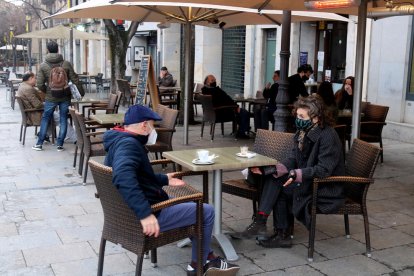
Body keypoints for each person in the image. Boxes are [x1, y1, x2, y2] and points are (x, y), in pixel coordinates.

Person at [103, 105, 240, 276]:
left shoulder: (118, 139)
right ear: (144, 125)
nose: (154, 131)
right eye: (153, 125)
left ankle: (206, 255)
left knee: (190, 204)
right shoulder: (129, 146)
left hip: (125, 214)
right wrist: (145, 214)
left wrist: (164, 179)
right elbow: (123, 176)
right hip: (147, 215)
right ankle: (199, 265)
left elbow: (138, 176)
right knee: (206, 211)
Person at [236, 95, 345, 248]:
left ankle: (275, 230)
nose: (298, 119)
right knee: (273, 177)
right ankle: (268, 227)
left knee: (279, 186)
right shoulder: (302, 132)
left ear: (315, 118)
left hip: (325, 187)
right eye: (297, 115)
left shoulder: (328, 136)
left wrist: (297, 174)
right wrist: (275, 169)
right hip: (309, 179)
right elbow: (293, 157)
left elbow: (324, 170)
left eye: (302, 116)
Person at [32, 41, 84, 152]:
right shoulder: (66, 63)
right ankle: (60, 144)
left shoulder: (43, 65)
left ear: (48, 50)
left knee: (46, 118)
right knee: (63, 118)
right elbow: (75, 79)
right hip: (65, 96)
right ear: (58, 50)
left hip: (51, 97)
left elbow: (39, 84)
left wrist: (48, 91)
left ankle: (39, 144)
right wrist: (81, 92)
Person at [201, 74, 251, 139]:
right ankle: (242, 132)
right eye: (212, 80)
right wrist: (236, 107)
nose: (214, 82)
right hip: (221, 113)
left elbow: (225, 100)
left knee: (240, 114)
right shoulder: (215, 91)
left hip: (211, 113)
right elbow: (227, 99)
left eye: (215, 80)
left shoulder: (204, 91)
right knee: (244, 113)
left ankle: (242, 129)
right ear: (207, 82)